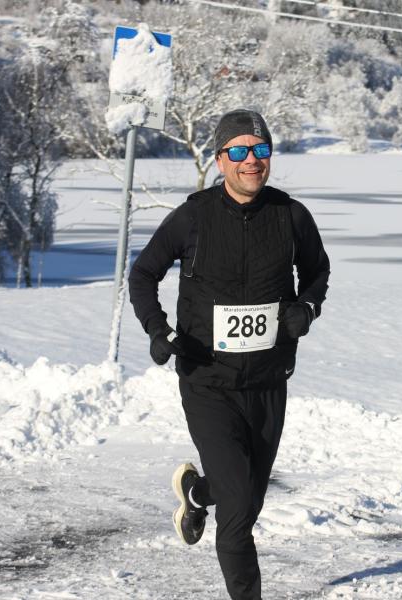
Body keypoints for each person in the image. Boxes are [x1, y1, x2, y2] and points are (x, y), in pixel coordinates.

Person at [127, 109, 330, 600]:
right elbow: (142, 275)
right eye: (238, 152)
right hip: (207, 380)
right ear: (220, 160)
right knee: (238, 511)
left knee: (246, 498)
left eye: (260, 151)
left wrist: (306, 306)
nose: (250, 162)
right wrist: (158, 331)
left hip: (266, 381)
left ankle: (198, 493)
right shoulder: (192, 217)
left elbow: (318, 272)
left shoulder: (291, 215)